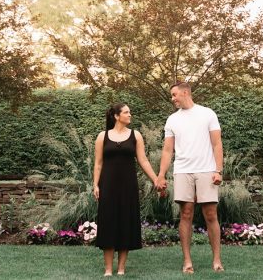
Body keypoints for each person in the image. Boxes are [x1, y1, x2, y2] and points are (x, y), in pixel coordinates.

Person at [155, 82, 224, 274]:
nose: (173, 98)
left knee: (211, 214)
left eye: (174, 94)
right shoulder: (172, 120)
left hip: (206, 170)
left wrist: (218, 170)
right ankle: (187, 261)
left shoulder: (207, 114)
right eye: (172, 95)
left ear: (185, 93)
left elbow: (217, 144)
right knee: (186, 214)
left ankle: (217, 260)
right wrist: (161, 175)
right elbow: (168, 150)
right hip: (182, 170)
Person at [93, 103, 161, 277]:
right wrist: (95, 184)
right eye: (126, 112)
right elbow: (98, 163)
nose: (130, 115)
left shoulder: (135, 135)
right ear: (117, 116)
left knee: (125, 222)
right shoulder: (103, 136)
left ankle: (121, 268)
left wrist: (155, 179)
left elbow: (143, 160)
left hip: (128, 187)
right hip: (108, 186)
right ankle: (108, 269)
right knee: (108, 222)